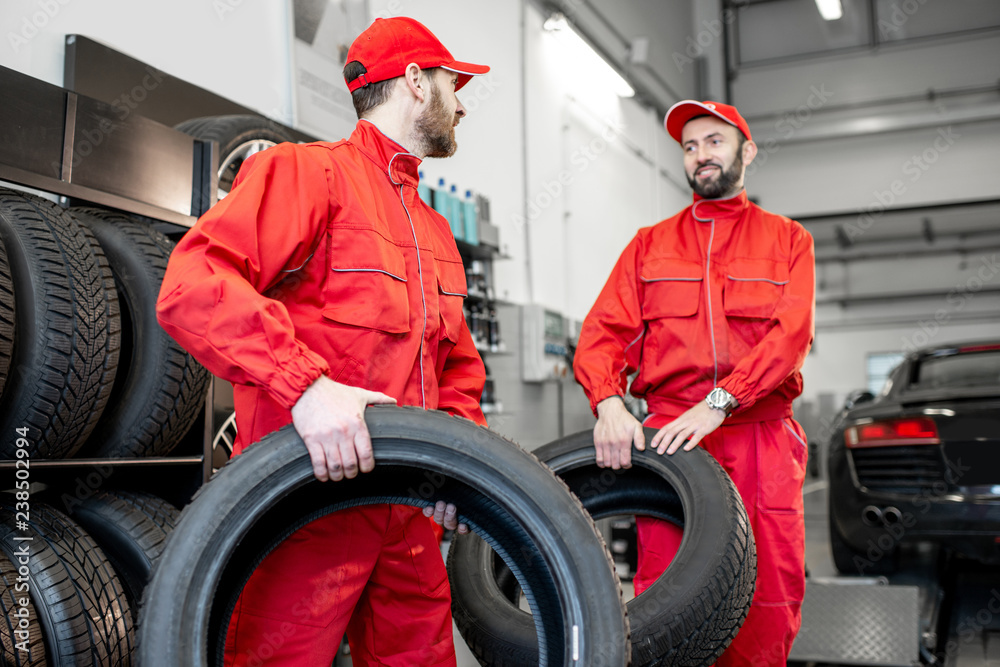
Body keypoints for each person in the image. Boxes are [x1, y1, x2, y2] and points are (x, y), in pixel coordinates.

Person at [156, 17, 489, 667]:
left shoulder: (435, 231)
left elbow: (456, 370)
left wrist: (462, 465)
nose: (463, 102)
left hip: (411, 514)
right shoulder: (307, 175)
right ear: (417, 82)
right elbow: (193, 286)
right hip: (307, 504)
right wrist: (304, 384)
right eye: (454, 83)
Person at [573, 100, 815, 666]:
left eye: (714, 141)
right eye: (689, 146)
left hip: (759, 439)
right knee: (667, 602)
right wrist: (608, 400)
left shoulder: (788, 241)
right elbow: (602, 333)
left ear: (746, 152)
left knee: (766, 599)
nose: (700, 155)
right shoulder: (648, 245)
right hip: (671, 444)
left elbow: (790, 336)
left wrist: (721, 402)